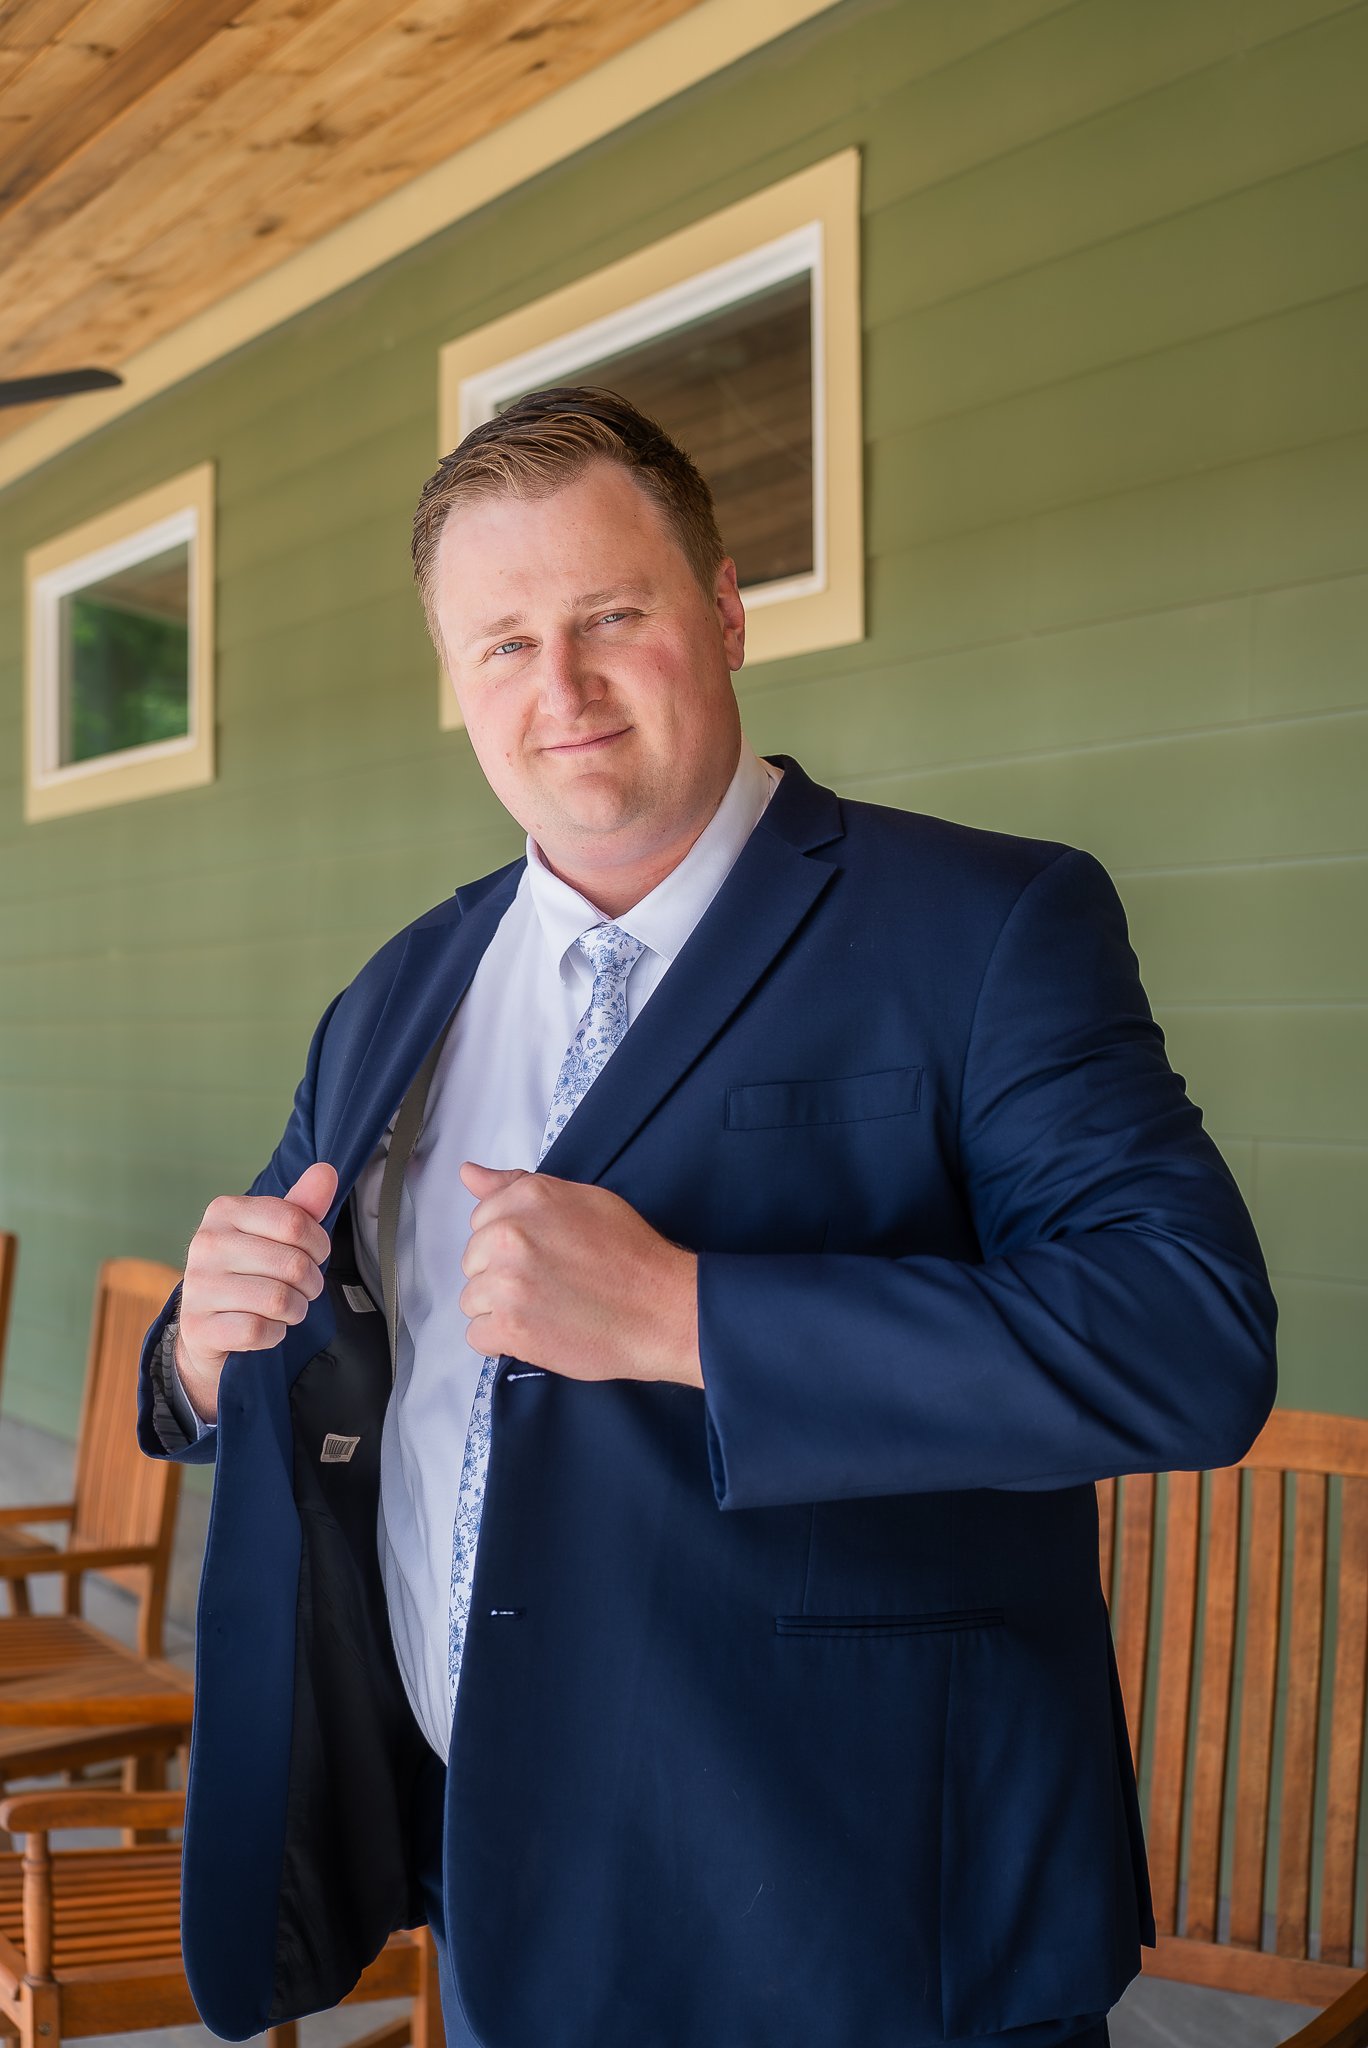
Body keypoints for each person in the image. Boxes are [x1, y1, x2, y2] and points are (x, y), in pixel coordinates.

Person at [139, 386, 1277, 2048]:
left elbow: (1191, 1336)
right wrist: (197, 1348)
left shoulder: (985, 923)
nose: (564, 689)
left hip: (866, 1911)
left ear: (728, 613)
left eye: (612, 616)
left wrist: (690, 1319)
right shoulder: (395, 995)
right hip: (508, 1883)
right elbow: (293, 1362)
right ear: (455, 690)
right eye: (504, 644)